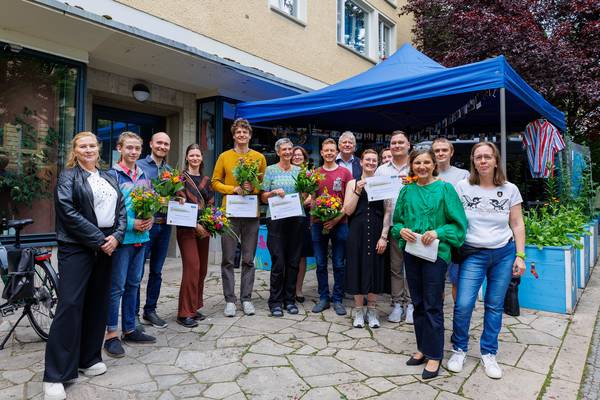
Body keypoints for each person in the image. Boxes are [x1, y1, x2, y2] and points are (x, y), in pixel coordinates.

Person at [43, 132, 126, 400]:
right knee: (70, 306)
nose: (88, 149)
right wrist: (100, 239)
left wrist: (117, 236)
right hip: (77, 247)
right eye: (82, 146)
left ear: (98, 148)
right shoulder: (67, 177)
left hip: (107, 246)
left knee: (96, 303)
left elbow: (121, 211)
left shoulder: (109, 176)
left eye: (92, 145)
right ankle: (55, 375)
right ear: (75, 150)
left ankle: (89, 358)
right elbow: (68, 213)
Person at [448, 142, 526, 379]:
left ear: (495, 160)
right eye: (478, 157)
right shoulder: (462, 187)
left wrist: (520, 256)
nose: (483, 161)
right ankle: (459, 348)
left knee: (494, 305)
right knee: (463, 304)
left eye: (487, 157)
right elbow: (452, 217)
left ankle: (489, 352)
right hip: (473, 253)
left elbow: (517, 223)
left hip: (503, 253)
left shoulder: (510, 188)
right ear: (473, 161)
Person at [391, 147, 467, 380]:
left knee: (433, 304)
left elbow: (459, 225)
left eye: (426, 163)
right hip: (413, 253)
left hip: (436, 255)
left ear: (434, 164)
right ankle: (422, 348)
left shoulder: (445, 189)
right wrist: (401, 230)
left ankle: (435, 355)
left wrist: (438, 232)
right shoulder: (407, 191)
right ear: (411, 166)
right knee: (418, 303)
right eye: (417, 163)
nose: (421, 167)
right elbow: (397, 223)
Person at [104, 132, 156, 358]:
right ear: (119, 148)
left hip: (141, 240)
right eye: (129, 148)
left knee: (134, 284)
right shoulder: (111, 176)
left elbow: (150, 200)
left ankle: (130, 328)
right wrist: (131, 223)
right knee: (116, 288)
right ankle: (111, 335)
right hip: (122, 240)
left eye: (137, 148)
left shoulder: (143, 174)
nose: (133, 152)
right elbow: (107, 212)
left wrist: (151, 217)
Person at [212, 118, 267, 317]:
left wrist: (254, 187)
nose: (241, 135)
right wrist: (233, 189)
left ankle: (246, 299)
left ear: (250, 135)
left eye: (245, 132)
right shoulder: (224, 157)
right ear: (234, 135)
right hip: (230, 213)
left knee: (248, 259)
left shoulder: (259, 158)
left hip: (251, 214)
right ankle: (230, 300)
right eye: (238, 132)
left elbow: (263, 184)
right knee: (227, 258)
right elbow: (215, 182)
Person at [344, 149, 391, 328]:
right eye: (367, 160)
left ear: (378, 163)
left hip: (377, 230)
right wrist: (357, 190)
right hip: (357, 231)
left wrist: (384, 236)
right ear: (361, 162)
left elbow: (388, 210)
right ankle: (358, 310)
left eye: (374, 160)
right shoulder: (352, 183)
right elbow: (348, 210)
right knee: (357, 267)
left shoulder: (382, 183)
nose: (371, 163)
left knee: (375, 268)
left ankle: (372, 310)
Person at [260, 138, 304, 317]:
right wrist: (272, 193)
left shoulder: (299, 171)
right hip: (276, 219)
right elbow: (262, 197)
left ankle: (289, 300)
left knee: (293, 261)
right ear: (278, 152)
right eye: (284, 149)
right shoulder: (270, 170)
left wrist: (309, 192)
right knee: (278, 261)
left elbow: (304, 193)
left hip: (296, 219)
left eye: (290, 149)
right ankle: (275, 302)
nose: (287, 152)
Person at [311, 138, 353, 316]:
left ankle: (337, 299)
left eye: (331, 150)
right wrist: (317, 211)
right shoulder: (315, 173)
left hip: (340, 223)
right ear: (321, 153)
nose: (329, 153)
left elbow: (349, 202)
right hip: (317, 224)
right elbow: (312, 198)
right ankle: (323, 297)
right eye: (325, 150)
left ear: (336, 153)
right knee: (320, 263)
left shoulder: (345, 174)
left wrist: (335, 219)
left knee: (338, 263)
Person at [375, 130, 413, 324]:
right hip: (392, 225)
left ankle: (412, 304)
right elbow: (375, 197)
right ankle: (397, 304)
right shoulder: (382, 170)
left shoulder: (416, 165)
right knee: (396, 267)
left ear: (408, 145)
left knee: (413, 267)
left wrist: (413, 183)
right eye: (394, 143)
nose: (397, 145)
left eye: (401, 142)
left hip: (416, 227)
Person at [136, 132, 173, 329]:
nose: (162, 146)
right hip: (144, 226)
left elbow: (174, 196)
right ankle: (132, 314)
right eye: (159, 142)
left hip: (165, 225)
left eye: (166, 144)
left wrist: (178, 199)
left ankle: (150, 310)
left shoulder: (170, 171)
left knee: (157, 271)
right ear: (151, 144)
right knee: (137, 272)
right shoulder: (139, 166)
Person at [176, 144, 214, 327]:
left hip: (204, 229)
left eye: (197, 155)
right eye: (191, 155)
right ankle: (184, 313)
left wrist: (210, 225)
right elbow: (179, 206)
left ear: (201, 158)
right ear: (186, 157)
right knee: (192, 268)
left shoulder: (207, 180)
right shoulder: (180, 178)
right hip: (186, 229)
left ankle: (194, 306)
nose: (195, 158)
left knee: (202, 269)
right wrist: (195, 224)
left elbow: (212, 205)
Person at [432, 137, 470, 302]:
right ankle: (437, 313)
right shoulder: (426, 173)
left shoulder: (463, 175)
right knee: (436, 279)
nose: (440, 153)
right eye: (437, 151)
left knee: (456, 278)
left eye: (444, 150)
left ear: (451, 152)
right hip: (433, 232)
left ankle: (458, 312)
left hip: (454, 234)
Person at [291, 145, 313, 303]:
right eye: (294, 155)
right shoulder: (285, 172)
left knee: (302, 255)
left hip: (303, 217)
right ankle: (288, 287)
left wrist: (304, 202)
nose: (297, 157)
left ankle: (298, 289)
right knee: (288, 254)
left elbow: (314, 194)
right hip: (287, 216)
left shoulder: (309, 174)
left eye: (300, 155)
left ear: (305, 158)